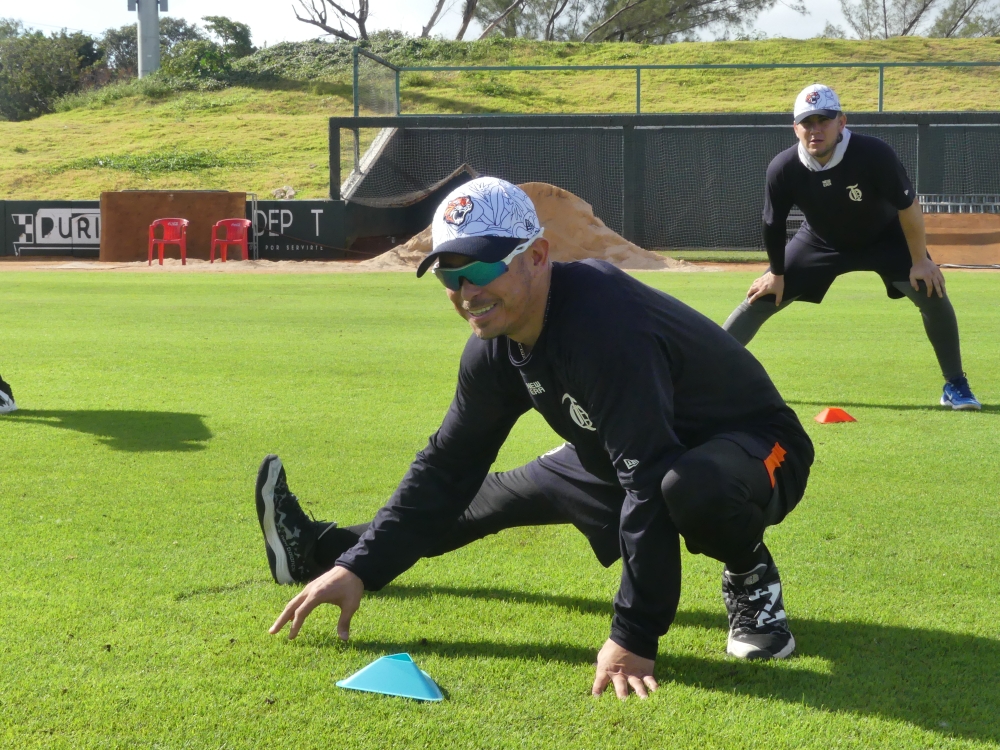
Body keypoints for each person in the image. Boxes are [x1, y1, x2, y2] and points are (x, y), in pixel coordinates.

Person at [262, 177, 814, 699]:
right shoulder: (494, 346)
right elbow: (447, 468)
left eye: (479, 268)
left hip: (752, 447)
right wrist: (359, 567)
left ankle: (749, 575)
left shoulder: (604, 324)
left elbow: (648, 476)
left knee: (688, 487)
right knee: (481, 500)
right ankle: (321, 551)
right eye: (448, 276)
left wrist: (633, 637)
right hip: (624, 446)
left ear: (538, 256)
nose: (465, 292)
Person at [723, 83, 981, 411]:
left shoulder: (873, 154)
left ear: (841, 122)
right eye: (807, 122)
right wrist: (776, 273)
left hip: (885, 237)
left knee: (931, 291)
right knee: (760, 297)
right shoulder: (783, 167)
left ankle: (955, 384)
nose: (815, 129)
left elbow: (908, 208)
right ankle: (701, 379)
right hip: (819, 241)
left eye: (824, 121)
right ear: (795, 128)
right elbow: (772, 223)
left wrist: (920, 260)